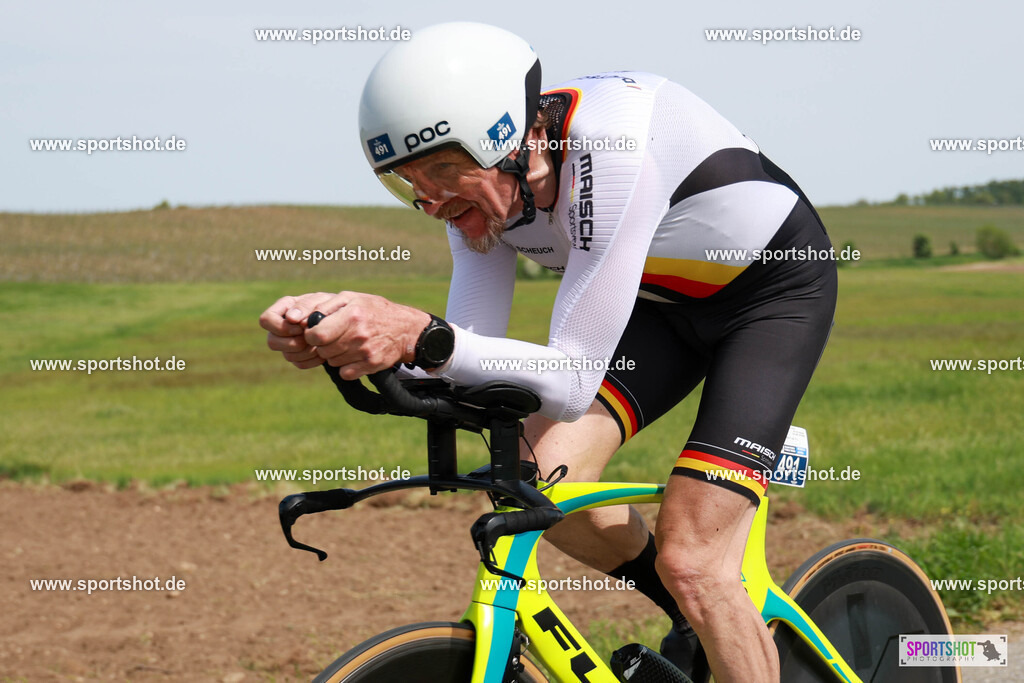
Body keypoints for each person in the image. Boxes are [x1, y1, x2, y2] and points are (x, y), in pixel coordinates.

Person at [259, 21, 837, 683]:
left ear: (510, 140)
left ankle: (702, 595)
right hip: (658, 303)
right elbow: (459, 356)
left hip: (770, 299)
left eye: (443, 171)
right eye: (407, 183)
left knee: (696, 560)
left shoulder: (611, 150)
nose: (431, 202)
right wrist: (346, 338)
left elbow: (567, 381)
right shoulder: (482, 198)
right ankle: (692, 617)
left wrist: (416, 332)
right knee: (539, 481)